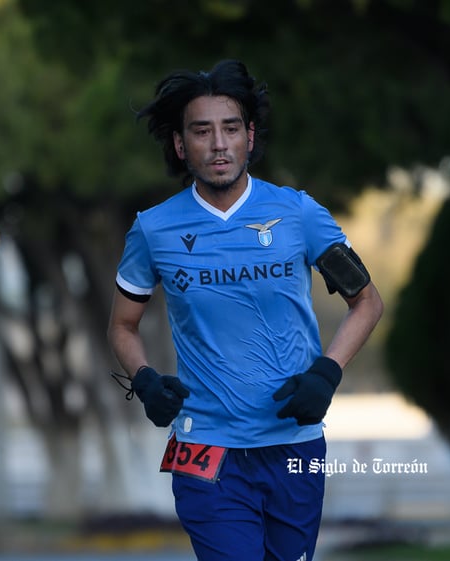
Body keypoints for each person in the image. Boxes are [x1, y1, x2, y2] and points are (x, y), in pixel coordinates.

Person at [107, 59, 383, 561]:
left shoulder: (299, 214)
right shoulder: (153, 229)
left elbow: (366, 302)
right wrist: (145, 379)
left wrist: (327, 372)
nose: (218, 144)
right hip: (205, 447)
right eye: (201, 131)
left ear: (249, 138)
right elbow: (123, 326)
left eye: (230, 128)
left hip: (296, 446)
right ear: (179, 144)